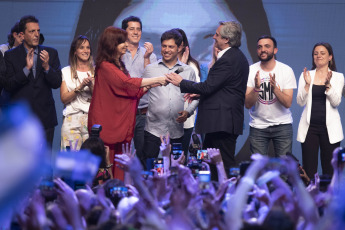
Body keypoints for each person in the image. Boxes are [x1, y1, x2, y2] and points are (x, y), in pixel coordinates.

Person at [167, 21, 249, 177]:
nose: (214, 37)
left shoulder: (228, 59)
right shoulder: (235, 57)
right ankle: (214, 196)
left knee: (222, 164)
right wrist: (199, 94)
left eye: (217, 35)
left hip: (222, 122)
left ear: (226, 39)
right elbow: (222, 88)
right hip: (220, 122)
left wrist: (181, 82)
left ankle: (227, 198)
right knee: (211, 165)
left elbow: (208, 87)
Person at [87, 26, 166, 180]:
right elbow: (127, 83)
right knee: (106, 167)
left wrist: (150, 86)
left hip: (118, 125)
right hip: (107, 124)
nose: (126, 44)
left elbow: (131, 92)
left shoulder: (119, 66)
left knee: (120, 166)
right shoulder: (105, 66)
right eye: (121, 42)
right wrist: (157, 79)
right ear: (112, 44)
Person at [3, 15, 62, 147]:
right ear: (22, 35)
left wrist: (47, 67)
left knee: (44, 164)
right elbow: (8, 85)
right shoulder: (10, 56)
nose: (36, 35)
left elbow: (57, 83)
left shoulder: (51, 53)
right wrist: (26, 69)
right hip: (21, 122)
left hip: (45, 119)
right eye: (32, 31)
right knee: (21, 165)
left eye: (38, 31)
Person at [142, 29, 198, 164]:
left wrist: (188, 112)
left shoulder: (188, 71)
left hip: (176, 131)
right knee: (149, 169)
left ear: (179, 48)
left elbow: (196, 96)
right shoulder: (150, 69)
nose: (166, 50)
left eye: (171, 47)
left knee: (176, 170)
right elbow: (141, 93)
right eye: (164, 46)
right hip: (153, 130)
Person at [296, 42, 344, 178]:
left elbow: (336, 102)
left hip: (330, 130)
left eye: (322, 53)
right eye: (315, 53)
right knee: (309, 171)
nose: (318, 56)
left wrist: (328, 86)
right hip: (309, 129)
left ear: (330, 57)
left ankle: (328, 199)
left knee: (330, 171)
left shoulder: (338, 77)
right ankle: (310, 198)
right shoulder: (306, 75)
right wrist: (307, 85)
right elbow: (300, 102)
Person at [244, 35, 296, 156]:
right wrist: (256, 89)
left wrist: (275, 90)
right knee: (258, 170)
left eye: (267, 46)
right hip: (258, 126)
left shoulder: (286, 70)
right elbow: (247, 104)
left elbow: (288, 103)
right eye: (260, 47)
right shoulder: (251, 70)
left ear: (275, 50)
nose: (263, 50)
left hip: (283, 125)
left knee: (284, 169)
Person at [121, 16, 157, 168]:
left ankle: (145, 188)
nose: (136, 32)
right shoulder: (118, 53)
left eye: (138, 29)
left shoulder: (150, 55)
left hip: (143, 112)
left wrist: (147, 58)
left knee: (143, 154)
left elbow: (153, 81)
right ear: (124, 31)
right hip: (123, 112)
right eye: (132, 29)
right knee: (123, 155)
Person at [60, 35, 94, 151]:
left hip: (91, 119)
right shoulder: (66, 71)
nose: (86, 51)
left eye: (88, 48)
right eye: (82, 47)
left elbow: (100, 99)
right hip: (71, 119)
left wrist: (90, 86)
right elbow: (64, 98)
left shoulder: (96, 71)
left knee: (91, 160)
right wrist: (80, 87)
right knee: (70, 162)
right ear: (75, 51)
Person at [174, 28, 200, 157]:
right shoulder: (163, 64)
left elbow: (195, 92)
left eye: (178, 43)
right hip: (166, 120)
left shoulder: (192, 66)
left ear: (183, 45)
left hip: (185, 119)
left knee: (181, 158)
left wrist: (183, 67)